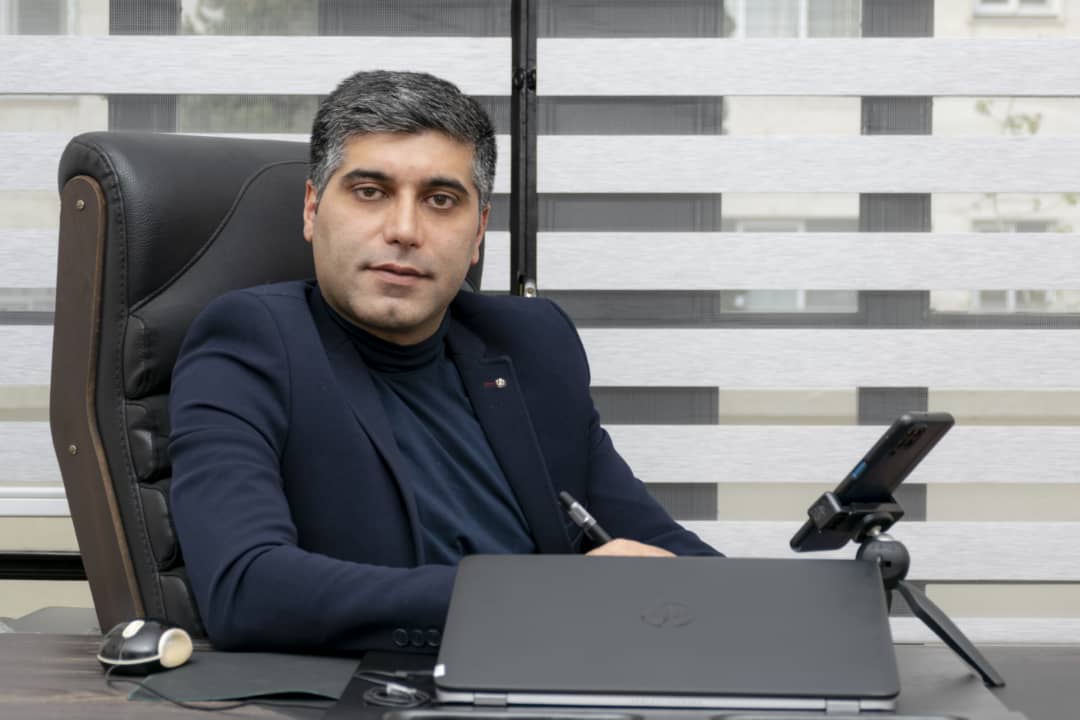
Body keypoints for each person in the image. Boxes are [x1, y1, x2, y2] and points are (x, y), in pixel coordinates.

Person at [169, 70, 719, 655]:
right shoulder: (251, 343)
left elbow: (668, 553)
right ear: (311, 209)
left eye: (440, 200)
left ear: (479, 231)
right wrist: (550, 596)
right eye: (370, 191)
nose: (404, 231)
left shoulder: (532, 344)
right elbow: (247, 587)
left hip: (561, 676)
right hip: (389, 687)